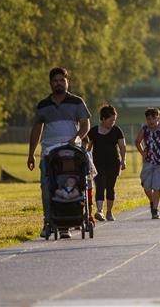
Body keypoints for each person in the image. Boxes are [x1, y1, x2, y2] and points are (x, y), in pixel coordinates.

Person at [28, 67, 91, 239]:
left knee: (71, 184)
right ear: (50, 83)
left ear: (67, 81)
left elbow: (85, 125)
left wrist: (77, 137)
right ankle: (49, 221)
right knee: (47, 187)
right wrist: (31, 153)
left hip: (71, 151)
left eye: (62, 80)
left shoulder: (77, 102)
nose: (58, 83)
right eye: (55, 81)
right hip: (49, 152)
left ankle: (69, 223)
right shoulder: (43, 105)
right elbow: (36, 130)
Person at [135, 107, 160, 219]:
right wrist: (143, 153)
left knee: (157, 185)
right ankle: (153, 202)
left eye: (153, 118)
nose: (151, 121)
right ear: (146, 119)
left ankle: (155, 210)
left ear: (158, 118)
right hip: (149, 161)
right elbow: (137, 142)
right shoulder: (144, 129)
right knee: (146, 185)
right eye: (148, 119)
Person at [88, 104, 126, 221]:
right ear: (103, 119)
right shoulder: (93, 131)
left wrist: (123, 161)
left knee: (110, 187)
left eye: (114, 120)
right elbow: (88, 148)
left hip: (113, 164)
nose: (113, 123)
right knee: (100, 186)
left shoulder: (117, 130)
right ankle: (100, 211)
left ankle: (109, 212)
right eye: (111, 120)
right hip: (98, 164)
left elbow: (122, 146)